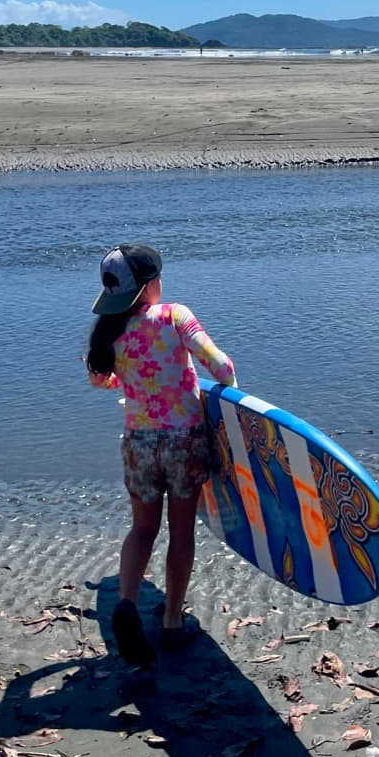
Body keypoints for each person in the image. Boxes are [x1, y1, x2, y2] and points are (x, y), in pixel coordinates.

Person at [86, 243, 236, 665]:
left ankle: (127, 605)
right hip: (183, 443)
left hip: (138, 444)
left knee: (142, 530)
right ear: (151, 284)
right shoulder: (174, 316)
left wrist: (133, 386)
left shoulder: (110, 331)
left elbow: (100, 380)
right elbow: (220, 367)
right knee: (181, 531)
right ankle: (172, 619)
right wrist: (234, 413)